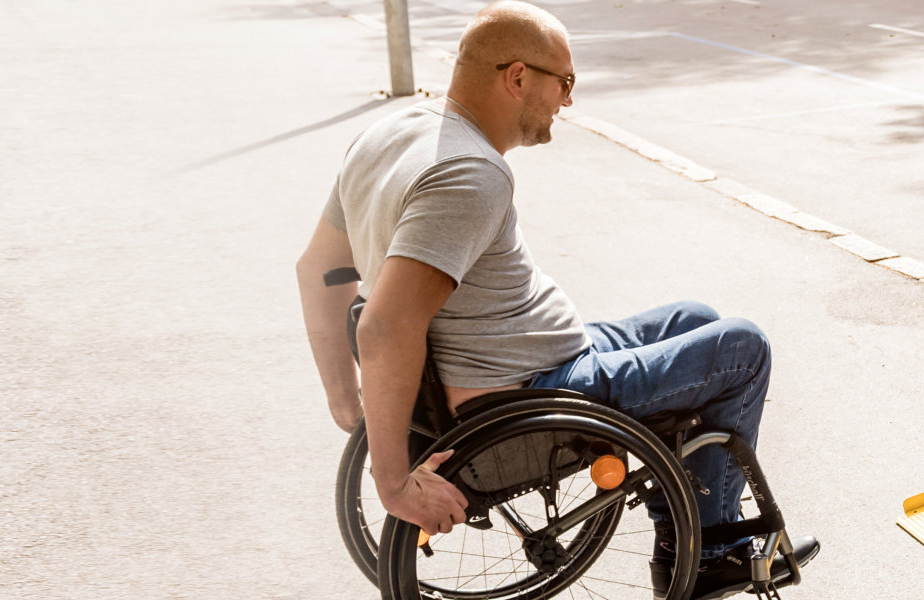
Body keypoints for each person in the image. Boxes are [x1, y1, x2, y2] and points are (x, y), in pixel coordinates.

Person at [292, 3, 815, 598]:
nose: (567, 101)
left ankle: (690, 524)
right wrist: (393, 484)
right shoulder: (469, 173)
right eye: (564, 82)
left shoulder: (392, 131)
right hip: (531, 391)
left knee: (693, 319)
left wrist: (345, 399)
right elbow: (384, 327)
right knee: (743, 347)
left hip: (523, 362)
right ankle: (708, 555)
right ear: (516, 78)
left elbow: (320, 268)